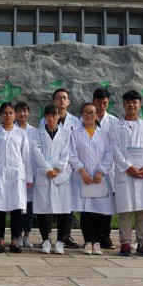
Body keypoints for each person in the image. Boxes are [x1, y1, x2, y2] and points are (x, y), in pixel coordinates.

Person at [109, 90, 143, 257]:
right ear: (123, 104)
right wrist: (127, 167)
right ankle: (125, 243)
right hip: (125, 174)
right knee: (124, 211)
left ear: (139, 105)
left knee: (142, 210)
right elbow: (115, 149)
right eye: (128, 102)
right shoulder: (115, 127)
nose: (131, 105)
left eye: (135, 102)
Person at [69, 102, 114, 255]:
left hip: (99, 178)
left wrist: (101, 172)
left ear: (96, 115)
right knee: (86, 211)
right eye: (86, 112)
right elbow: (72, 155)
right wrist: (82, 171)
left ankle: (97, 242)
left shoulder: (105, 134)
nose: (89, 115)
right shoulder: (75, 134)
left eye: (92, 113)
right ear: (81, 115)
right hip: (83, 178)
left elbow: (110, 154)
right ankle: (88, 241)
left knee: (99, 211)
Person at [0, 102, 31, 254]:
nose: (8, 115)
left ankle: (14, 242)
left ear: (15, 114)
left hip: (17, 175)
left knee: (16, 209)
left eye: (11, 112)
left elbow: (26, 157)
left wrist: (28, 177)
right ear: (0, 115)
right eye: (5, 113)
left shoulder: (21, 133)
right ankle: (0, 242)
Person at [40, 88, 81, 249]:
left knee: (65, 205)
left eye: (64, 98)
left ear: (68, 101)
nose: (62, 100)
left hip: (66, 170)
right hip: (48, 170)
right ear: (53, 100)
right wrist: (49, 168)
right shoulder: (43, 121)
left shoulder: (75, 122)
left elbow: (75, 146)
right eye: (59, 97)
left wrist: (61, 167)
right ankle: (47, 237)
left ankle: (64, 237)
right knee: (47, 203)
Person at [32, 104, 73, 254]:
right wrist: (47, 169)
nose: (51, 118)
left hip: (60, 175)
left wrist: (58, 168)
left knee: (63, 209)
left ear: (58, 116)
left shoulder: (66, 133)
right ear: (44, 117)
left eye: (54, 115)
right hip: (44, 175)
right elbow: (36, 152)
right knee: (43, 208)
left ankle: (60, 241)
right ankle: (46, 240)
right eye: (48, 115)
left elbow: (67, 153)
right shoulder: (37, 133)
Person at [92, 87, 120, 250]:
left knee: (107, 205)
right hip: (90, 169)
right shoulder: (85, 119)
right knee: (91, 204)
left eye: (104, 103)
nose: (101, 106)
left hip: (108, 170)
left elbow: (114, 147)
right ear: (93, 101)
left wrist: (103, 168)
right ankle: (92, 237)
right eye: (98, 102)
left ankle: (106, 237)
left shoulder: (114, 122)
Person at [15, 101, 36, 248]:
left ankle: (27, 235)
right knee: (17, 205)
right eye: (19, 111)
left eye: (25, 111)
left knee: (29, 205)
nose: (22, 114)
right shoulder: (12, 130)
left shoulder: (34, 132)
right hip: (16, 174)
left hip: (30, 173)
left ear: (28, 113)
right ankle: (17, 234)